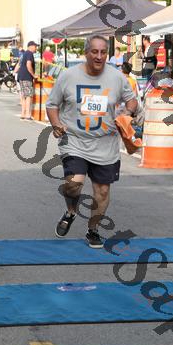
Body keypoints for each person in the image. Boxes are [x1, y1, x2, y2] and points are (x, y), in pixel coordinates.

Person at [46, 34, 138, 248]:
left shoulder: (117, 77)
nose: (99, 56)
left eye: (103, 52)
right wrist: (56, 124)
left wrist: (127, 113)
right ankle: (71, 211)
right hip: (75, 141)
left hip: (106, 144)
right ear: (86, 53)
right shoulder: (68, 76)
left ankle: (93, 229)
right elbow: (52, 105)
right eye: (94, 51)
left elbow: (131, 100)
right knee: (73, 185)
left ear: (107, 54)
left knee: (102, 191)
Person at [17, 40, 38, 120]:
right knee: (28, 96)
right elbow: (28, 65)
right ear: (31, 46)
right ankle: (28, 115)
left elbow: (20, 65)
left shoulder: (25, 53)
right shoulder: (29, 53)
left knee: (23, 96)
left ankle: (23, 113)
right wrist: (33, 75)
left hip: (21, 76)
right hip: (26, 76)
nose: (36, 48)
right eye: (35, 46)